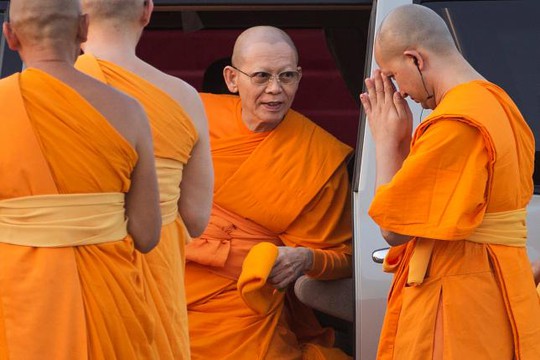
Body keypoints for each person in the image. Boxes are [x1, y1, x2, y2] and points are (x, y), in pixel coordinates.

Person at [359, 4, 540, 360]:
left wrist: (387, 143)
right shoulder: (501, 105)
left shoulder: (457, 122)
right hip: (497, 285)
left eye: (395, 76)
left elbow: (394, 229)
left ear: (416, 59)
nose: (401, 92)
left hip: (462, 299)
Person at [0, 0, 162, 359]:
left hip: (16, 303)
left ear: (10, 36)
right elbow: (147, 235)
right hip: (108, 300)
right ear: (83, 28)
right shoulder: (128, 112)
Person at [184, 25, 353, 360]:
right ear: (232, 79)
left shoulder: (319, 156)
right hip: (171, 290)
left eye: (287, 76)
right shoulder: (195, 117)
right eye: (261, 76)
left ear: (300, 77)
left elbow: (343, 259)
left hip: (248, 307)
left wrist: (305, 258)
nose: (275, 90)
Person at [75, 0, 213, 358]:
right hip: (154, 281)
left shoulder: (47, 91)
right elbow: (197, 219)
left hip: (73, 279)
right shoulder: (183, 97)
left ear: (77, 14)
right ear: (147, 11)